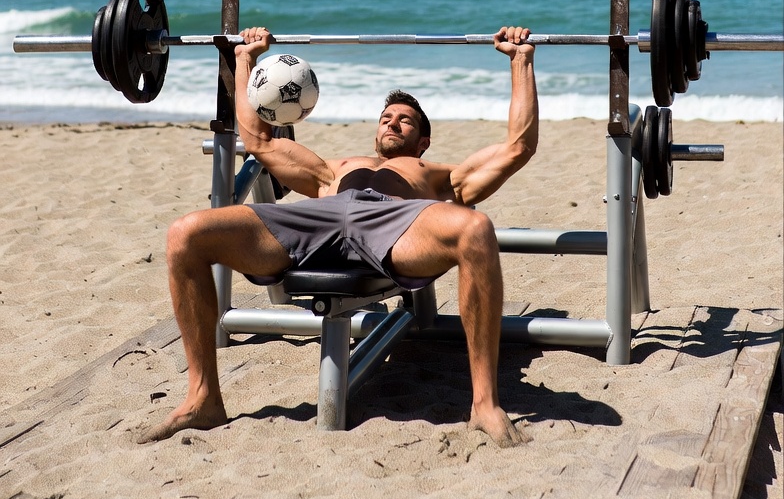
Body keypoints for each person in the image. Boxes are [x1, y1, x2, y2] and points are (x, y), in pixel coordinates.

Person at [140, 24, 538, 448]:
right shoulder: (333, 169)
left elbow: (519, 146)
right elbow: (258, 138)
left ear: (422, 141)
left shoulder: (440, 176)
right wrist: (245, 60)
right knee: (186, 233)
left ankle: (483, 403)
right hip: (320, 215)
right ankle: (203, 398)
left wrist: (521, 61)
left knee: (476, 228)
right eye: (387, 117)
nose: (393, 123)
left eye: (406, 121)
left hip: (399, 220)